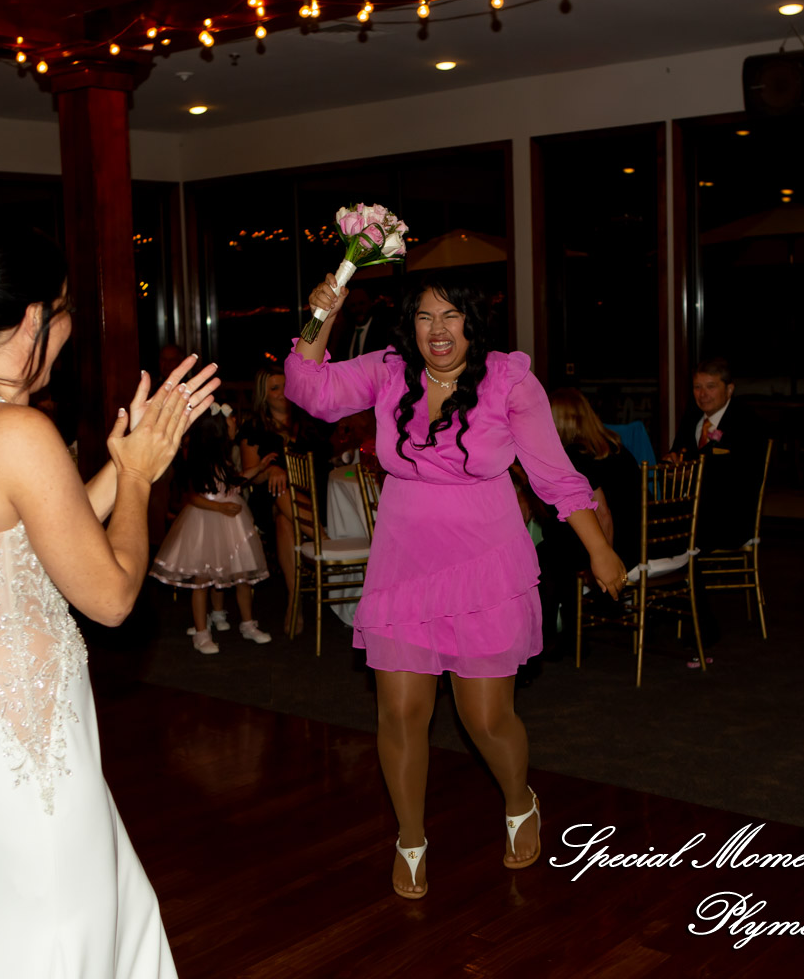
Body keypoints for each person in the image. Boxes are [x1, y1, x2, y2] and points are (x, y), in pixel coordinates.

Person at [0, 229, 218, 978]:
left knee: (14, 936)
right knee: (65, 940)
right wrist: (138, 479)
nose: (67, 333)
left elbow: (35, 527)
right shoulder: (17, 430)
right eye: (66, 315)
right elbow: (110, 597)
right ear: (35, 319)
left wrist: (121, 460)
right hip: (29, 753)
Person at [287, 270, 627, 900]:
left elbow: (554, 477)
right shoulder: (390, 371)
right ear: (408, 325)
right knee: (400, 711)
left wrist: (599, 549)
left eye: (450, 316)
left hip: (486, 565)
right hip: (404, 563)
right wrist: (320, 317)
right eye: (424, 317)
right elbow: (310, 389)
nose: (437, 331)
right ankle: (409, 839)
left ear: (472, 320)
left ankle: (520, 800)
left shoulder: (508, 381)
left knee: (486, 718)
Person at [150, 404, 276, 654]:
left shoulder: (224, 458)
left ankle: (247, 623)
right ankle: (201, 632)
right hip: (206, 522)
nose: (235, 426)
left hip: (232, 523)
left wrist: (259, 468)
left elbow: (232, 482)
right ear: (218, 431)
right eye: (230, 423)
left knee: (240, 575)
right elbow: (193, 497)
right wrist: (219, 508)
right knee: (203, 578)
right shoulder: (200, 462)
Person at [538, 388, 641, 660]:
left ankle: (546, 640)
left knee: (545, 555)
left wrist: (604, 556)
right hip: (640, 539)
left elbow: (603, 514)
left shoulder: (574, 457)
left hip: (614, 547)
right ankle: (569, 635)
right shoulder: (617, 447)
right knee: (557, 547)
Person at [239, 366, 329, 628]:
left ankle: (294, 599)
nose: (281, 393)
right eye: (274, 388)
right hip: (270, 500)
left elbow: (326, 458)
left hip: (315, 497)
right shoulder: (254, 427)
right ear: (263, 395)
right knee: (281, 498)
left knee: (285, 521)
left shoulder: (308, 420)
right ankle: (324, 540)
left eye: (284, 386)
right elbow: (250, 476)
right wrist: (270, 469)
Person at [665, 359, 770, 552]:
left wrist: (691, 474)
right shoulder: (692, 418)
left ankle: (683, 579)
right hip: (691, 513)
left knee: (662, 532)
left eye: (710, 387)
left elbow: (743, 476)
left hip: (729, 518)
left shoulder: (748, 424)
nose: (703, 395)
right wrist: (671, 465)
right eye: (697, 387)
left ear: (729, 389)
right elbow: (677, 455)